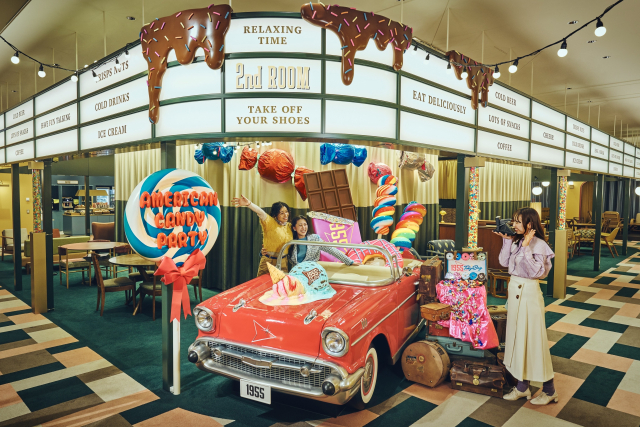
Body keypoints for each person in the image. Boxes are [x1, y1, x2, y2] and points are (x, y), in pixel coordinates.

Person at [494, 207, 556, 405]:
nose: (514, 225)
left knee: (534, 341)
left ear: (529, 224)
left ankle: (550, 390)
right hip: (515, 293)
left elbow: (537, 272)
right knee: (518, 340)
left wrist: (527, 247)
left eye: (517, 221)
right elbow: (504, 262)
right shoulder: (517, 241)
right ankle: (523, 387)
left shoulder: (539, 244)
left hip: (529, 295)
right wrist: (506, 240)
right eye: (513, 221)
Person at [231, 195, 292, 277]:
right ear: (275, 214)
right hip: (268, 261)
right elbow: (260, 212)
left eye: (286, 211)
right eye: (282, 213)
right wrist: (249, 204)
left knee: (281, 284)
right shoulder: (269, 222)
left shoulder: (290, 226)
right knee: (262, 284)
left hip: (283, 262)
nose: (285, 215)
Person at [288, 216, 356, 267]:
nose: (303, 227)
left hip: (312, 270)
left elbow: (332, 250)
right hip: (297, 271)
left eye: (305, 224)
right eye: (300, 225)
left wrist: (349, 262)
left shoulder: (314, 239)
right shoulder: (291, 242)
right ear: (294, 228)